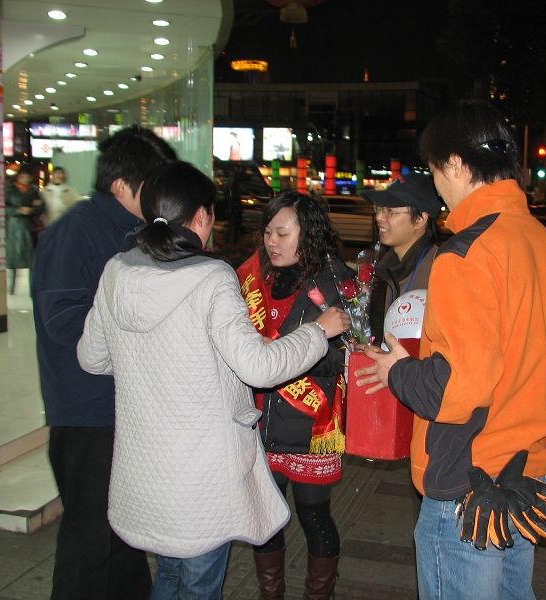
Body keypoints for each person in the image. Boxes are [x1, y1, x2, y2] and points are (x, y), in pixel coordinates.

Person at [77, 161, 350, 600]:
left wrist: (149, 366)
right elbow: (257, 367)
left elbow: (91, 358)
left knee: (169, 575)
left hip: (147, 469)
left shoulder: (116, 271)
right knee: (200, 585)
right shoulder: (212, 277)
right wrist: (317, 333)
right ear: (202, 216)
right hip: (203, 476)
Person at [355, 100, 546, 599]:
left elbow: (454, 389)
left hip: (470, 482)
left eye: (435, 171)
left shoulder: (466, 254)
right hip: (528, 471)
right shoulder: (544, 245)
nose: (436, 187)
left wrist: (397, 371)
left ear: (455, 164)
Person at [31, 125, 177, 600]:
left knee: (125, 536)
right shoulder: (77, 231)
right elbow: (63, 319)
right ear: (121, 185)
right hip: (88, 413)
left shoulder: (134, 233)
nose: (161, 196)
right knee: (90, 543)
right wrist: (137, 346)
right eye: (154, 184)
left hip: (122, 408)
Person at [236, 192, 355, 600]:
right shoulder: (256, 279)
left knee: (314, 517)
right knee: (265, 521)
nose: (272, 241)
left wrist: (285, 351)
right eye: (268, 232)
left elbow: (343, 360)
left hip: (310, 424)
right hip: (260, 424)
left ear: (309, 235)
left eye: (282, 233)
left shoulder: (334, 283)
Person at [360, 173, 443, 343]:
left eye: (390, 211)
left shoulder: (439, 271)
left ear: (420, 219)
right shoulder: (382, 270)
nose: (379, 217)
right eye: (379, 209)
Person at [5, 168, 44, 294]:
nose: (25, 179)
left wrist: (32, 210)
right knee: (13, 259)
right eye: (23, 176)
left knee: (32, 260)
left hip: (29, 227)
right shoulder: (9, 190)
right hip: (14, 228)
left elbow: (42, 207)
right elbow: (4, 207)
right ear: (18, 177)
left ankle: (32, 288)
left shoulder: (34, 190)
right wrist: (18, 210)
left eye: (27, 176)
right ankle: (12, 286)